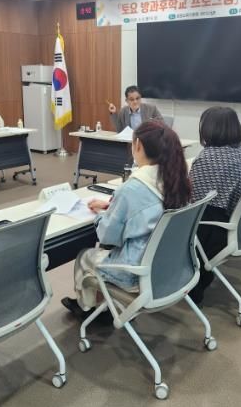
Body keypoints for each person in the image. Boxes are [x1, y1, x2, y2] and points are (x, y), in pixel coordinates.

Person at [62, 120, 191, 318]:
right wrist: (114, 207)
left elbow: (107, 236)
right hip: (169, 265)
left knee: (84, 256)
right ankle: (102, 305)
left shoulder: (132, 188)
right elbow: (150, 210)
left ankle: (89, 310)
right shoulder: (177, 179)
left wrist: (103, 215)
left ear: (137, 145)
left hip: (136, 273)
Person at [187, 107, 241, 304]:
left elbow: (193, 203)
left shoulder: (208, 159)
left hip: (214, 231)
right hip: (238, 224)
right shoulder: (240, 151)